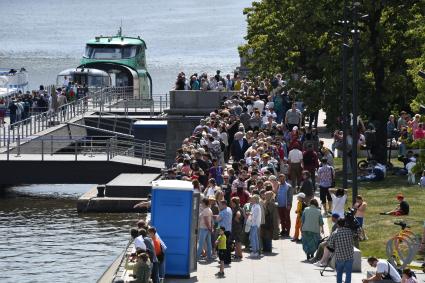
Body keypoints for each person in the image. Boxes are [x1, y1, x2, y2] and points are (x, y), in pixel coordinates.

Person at [328, 218, 354, 283]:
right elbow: (358, 234)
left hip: (340, 257)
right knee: (348, 273)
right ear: (345, 223)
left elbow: (330, 245)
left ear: (337, 224)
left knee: (339, 273)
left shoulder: (335, 233)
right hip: (349, 256)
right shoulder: (350, 231)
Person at [214, 200, 232, 264]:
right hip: (228, 230)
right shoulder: (229, 209)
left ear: (224, 205)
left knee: (223, 247)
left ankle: (224, 260)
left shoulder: (222, 212)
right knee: (227, 246)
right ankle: (228, 260)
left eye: (220, 205)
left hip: (223, 231)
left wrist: (217, 215)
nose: (219, 206)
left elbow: (217, 220)